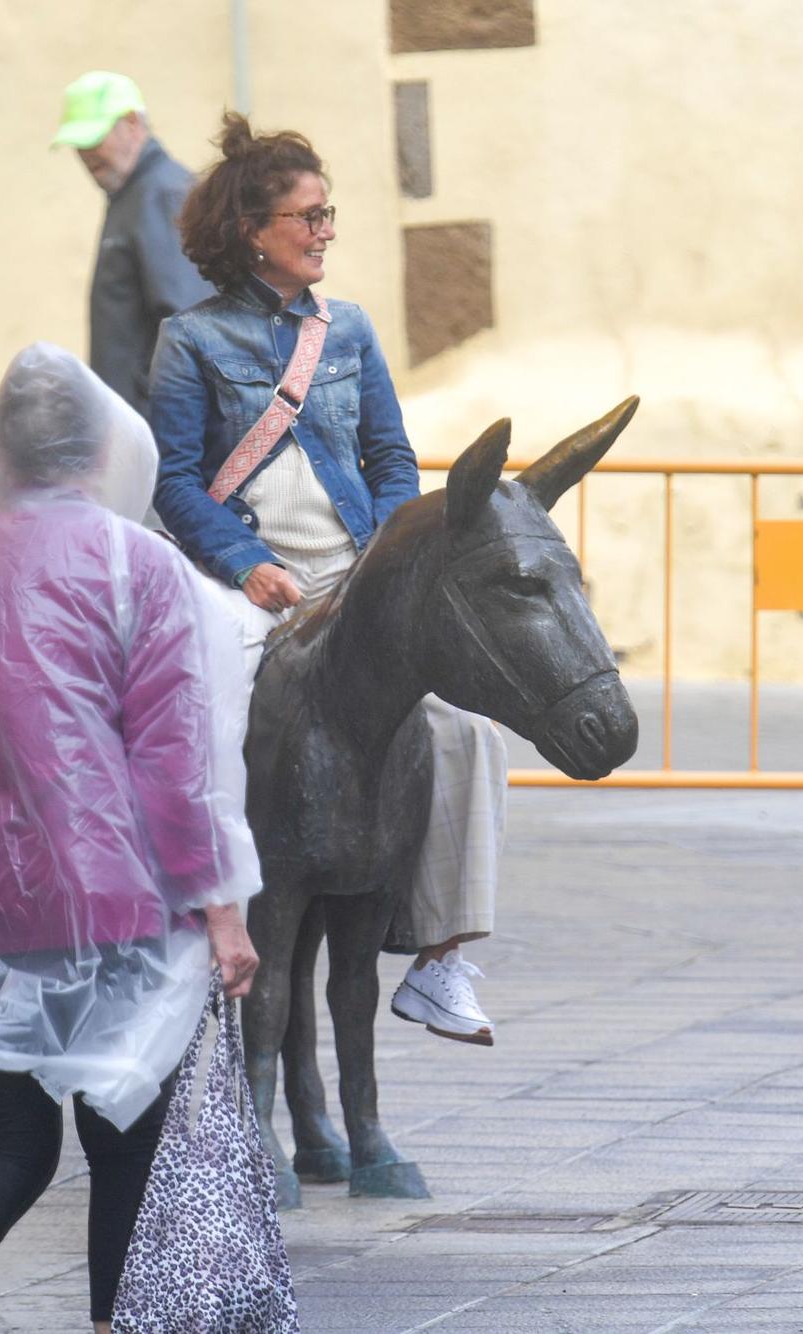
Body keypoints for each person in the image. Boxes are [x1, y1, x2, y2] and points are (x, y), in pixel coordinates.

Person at [0, 344, 267, 1333]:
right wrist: (220, 909)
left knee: (3, 1140)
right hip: (110, 902)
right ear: (103, 450)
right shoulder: (140, 568)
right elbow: (177, 767)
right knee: (125, 1139)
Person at [148, 113, 505, 1044]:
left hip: (351, 579)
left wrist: (385, 560)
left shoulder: (347, 330)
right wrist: (245, 563)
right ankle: (209, 918)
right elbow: (176, 484)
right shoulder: (188, 342)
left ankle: (439, 958)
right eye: (307, 217)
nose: (324, 233)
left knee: (464, 735)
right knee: (212, 726)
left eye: (327, 214)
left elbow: (392, 455)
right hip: (246, 586)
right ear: (248, 231)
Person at [53, 71, 214, 416]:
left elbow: (188, 321)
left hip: (158, 432)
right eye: (78, 144)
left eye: (94, 138)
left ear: (131, 123)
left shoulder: (161, 194)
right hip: (138, 427)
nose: (85, 153)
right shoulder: (135, 195)